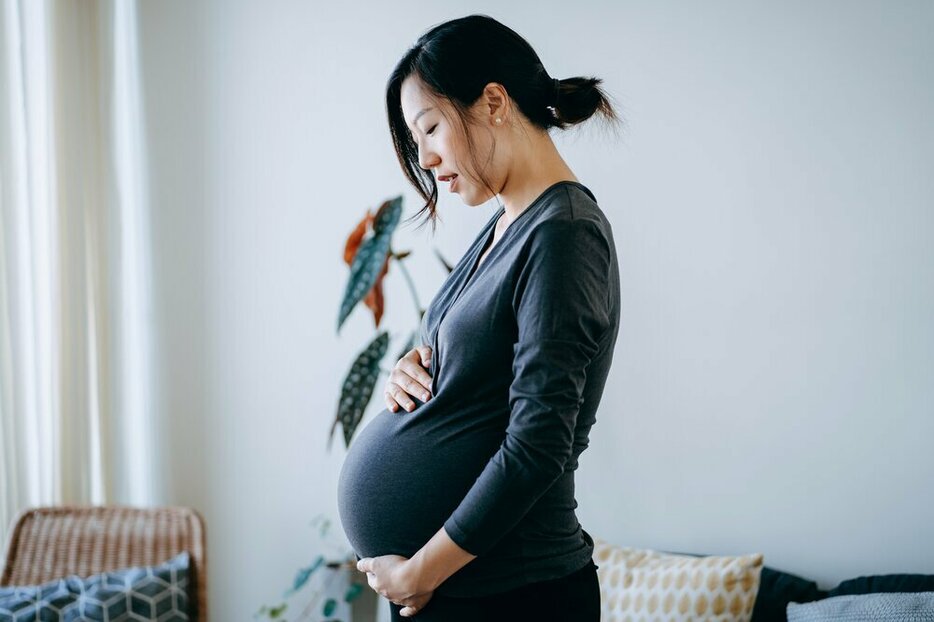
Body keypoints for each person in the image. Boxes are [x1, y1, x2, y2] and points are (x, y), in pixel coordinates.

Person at [337, 14, 622, 621]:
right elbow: (471, 375)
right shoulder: (505, 227)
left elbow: (537, 446)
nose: (426, 160)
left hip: (512, 594)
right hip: (462, 591)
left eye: (431, 128)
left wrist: (418, 573)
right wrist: (407, 374)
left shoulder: (563, 233)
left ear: (493, 101)